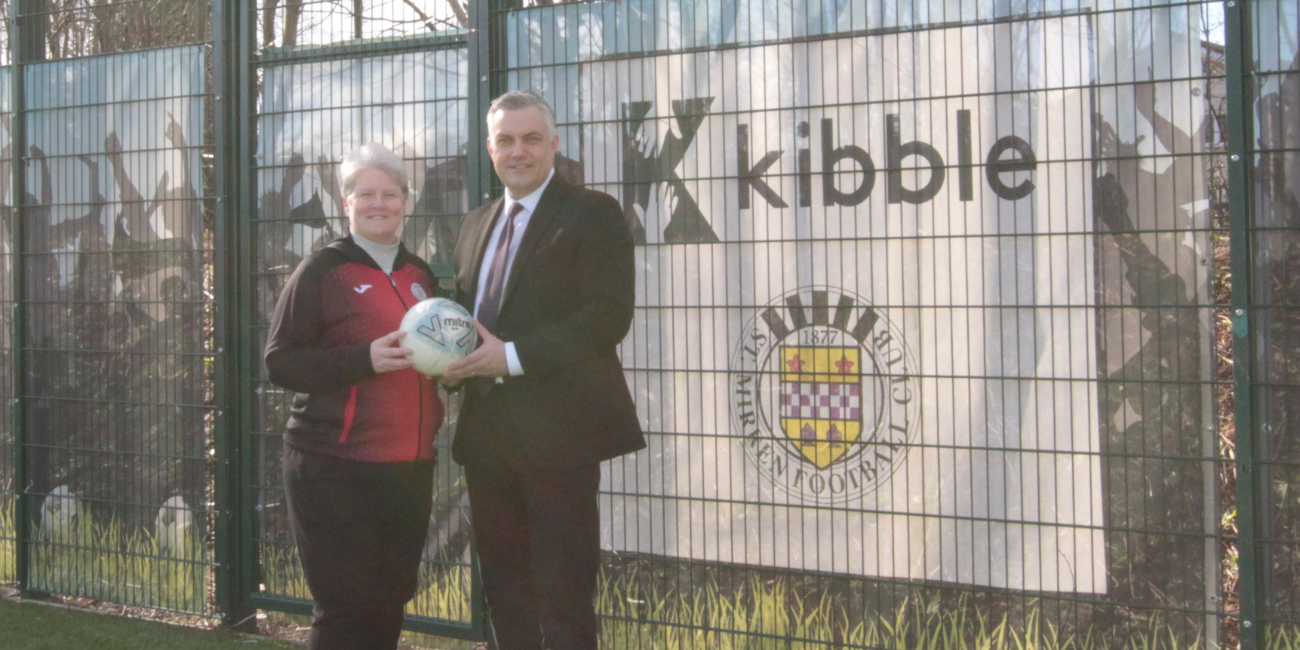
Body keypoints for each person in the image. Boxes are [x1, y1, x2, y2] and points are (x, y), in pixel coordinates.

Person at [441, 89, 645, 650]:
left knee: (564, 597)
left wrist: (510, 357)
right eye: (506, 140)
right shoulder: (474, 224)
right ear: (490, 148)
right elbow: (467, 321)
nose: (518, 150)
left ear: (554, 144)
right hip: (486, 441)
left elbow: (608, 317)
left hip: (561, 441)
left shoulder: (593, 213)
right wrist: (450, 367)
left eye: (531, 138)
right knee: (504, 592)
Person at [264, 143, 443, 650]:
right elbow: (280, 361)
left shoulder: (420, 275)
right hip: (334, 466)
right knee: (346, 610)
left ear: (406, 201)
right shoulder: (323, 271)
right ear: (347, 203)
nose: (379, 204)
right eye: (366, 194)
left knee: (388, 602)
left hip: (409, 467)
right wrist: (364, 359)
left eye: (390, 194)